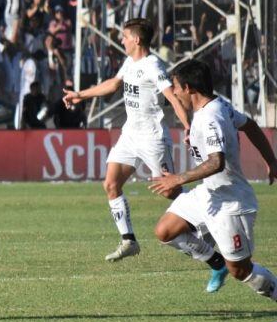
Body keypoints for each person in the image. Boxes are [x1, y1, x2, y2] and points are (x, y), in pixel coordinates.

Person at [63, 18, 190, 262]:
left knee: (170, 191)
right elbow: (113, 85)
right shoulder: (129, 62)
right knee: (111, 184)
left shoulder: (154, 66)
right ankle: (128, 240)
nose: (121, 40)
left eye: (124, 36)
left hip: (153, 138)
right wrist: (80, 95)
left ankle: (204, 216)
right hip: (130, 134)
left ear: (137, 39)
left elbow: (173, 99)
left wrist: (187, 127)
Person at [149, 59, 277, 299]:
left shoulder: (210, 118)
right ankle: (216, 263)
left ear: (188, 88)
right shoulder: (217, 106)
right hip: (209, 193)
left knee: (240, 270)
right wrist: (272, 160)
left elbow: (216, 162)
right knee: (165, 231)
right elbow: (250, 125)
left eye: (176, 87)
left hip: (231, 202)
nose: (173, 93)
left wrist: (178, 179)